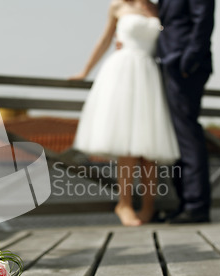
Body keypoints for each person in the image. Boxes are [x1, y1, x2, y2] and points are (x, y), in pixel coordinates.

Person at [70, 0, 180, 226]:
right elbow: (104, 40)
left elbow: (169, 41)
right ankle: (125, 204)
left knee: (150, 150)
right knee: (127, 147)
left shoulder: (158, 9)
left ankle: (148, 207)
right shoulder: (117, 6)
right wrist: (85, 71)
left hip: (150, 75)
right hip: (123, 73)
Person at [158, 0, 215, 223]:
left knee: (187, 135)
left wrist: (188, 62)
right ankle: (184, 202)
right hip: (168, 64)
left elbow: (204, 20)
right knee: (177, 137)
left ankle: (196, 205)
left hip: (184, 65)